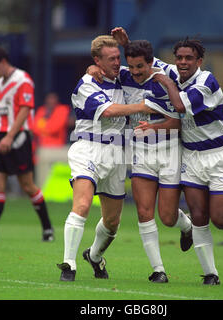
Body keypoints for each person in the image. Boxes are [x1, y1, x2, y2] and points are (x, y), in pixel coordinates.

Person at [113, 28, 223, 285]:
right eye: (179, 58)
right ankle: (211, 274)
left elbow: (180, 106)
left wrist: (166, 82)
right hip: (191, 156)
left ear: (199, 61)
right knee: (197, 214)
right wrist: (127, 45)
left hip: (218, 156)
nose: (183, 62)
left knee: (219, 218)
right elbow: (144, 61)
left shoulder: (206, 81)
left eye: (189, 58)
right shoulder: (171, 72)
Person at [88, 38, 193, 283]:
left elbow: (184, 111)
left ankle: (186, 226)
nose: (134, 72)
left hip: (169, 150)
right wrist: (91, 69)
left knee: (167, 216)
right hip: (140, 151)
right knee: (144, 212)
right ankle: (159, 270)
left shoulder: (168, 74)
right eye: (131, 66)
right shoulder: (123, 75)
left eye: (140, 67)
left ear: (151, 62)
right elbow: (99, 70)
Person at [56, 35, 156, 282]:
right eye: (110, 59)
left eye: (117, 58)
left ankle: (95, 255)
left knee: (112, 222)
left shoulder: (124, 76)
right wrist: (143, 106)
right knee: (82, 204)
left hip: (117, 154)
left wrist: (128, 44)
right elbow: (109, 111)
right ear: (96, 61)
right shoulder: (87, 83)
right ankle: (69, 264)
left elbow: (151, 64)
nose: (116, 63)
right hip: (88, 149)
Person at [0, 46, 54, 242]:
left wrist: (10, 136)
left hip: (17, 137)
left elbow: (25, 109)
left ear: (3, 62)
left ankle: (47, 228)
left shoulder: (22, 80)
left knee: (28, 185)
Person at [33, 92, 71, 188]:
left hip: (58, 148)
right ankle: (41, 189)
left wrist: (43, 129)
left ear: (56, 101)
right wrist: (46, 128)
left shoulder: (63, 109)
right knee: (40, 158)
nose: (51, 102)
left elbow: (55, 128)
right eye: (49, 99)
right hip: (42, 148)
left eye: (53, 99)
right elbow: (34, 128)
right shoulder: (42, 110)